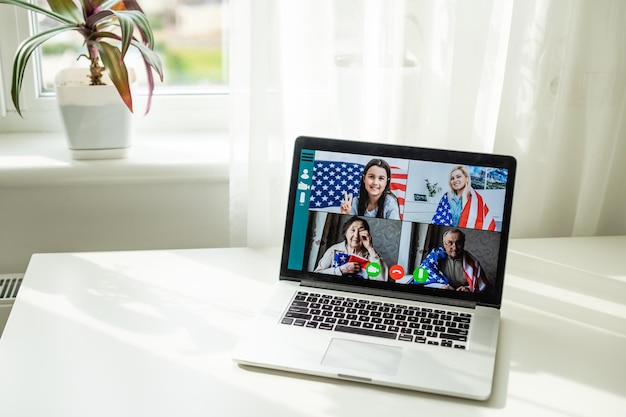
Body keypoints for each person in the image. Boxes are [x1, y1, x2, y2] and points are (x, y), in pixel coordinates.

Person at [314, 216, 387, 281]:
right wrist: (341, 270)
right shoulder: (334, 250)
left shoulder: (370, 256)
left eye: (361, 231)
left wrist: (370, 248)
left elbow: (381, 281)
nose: (356, 235)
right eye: (353, 230)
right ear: (345, 233)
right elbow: (317, 275)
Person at [417, 228, 488, 292]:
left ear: (463, 244)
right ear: (444, 244)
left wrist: (468, 288)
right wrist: (440, 287)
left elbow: (481, 286)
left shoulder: (472, 262)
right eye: (450, 243)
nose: (454, 248)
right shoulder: (434, 258)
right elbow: (421, 280)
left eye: (458, 243)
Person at [431, 165, 496, 231]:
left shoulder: (475, 199)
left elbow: (469, 220)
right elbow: (438, 217)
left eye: (458, 177)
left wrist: (464, 195)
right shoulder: (446, 197)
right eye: (452, 178)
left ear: (466, 178)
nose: (455, 180)